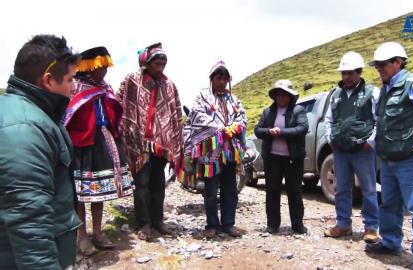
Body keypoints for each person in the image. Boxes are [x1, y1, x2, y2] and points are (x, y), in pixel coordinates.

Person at [0, 34, 81, 269]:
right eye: (70, 79)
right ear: (48, 80)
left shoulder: (32, 114)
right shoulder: (24, 128)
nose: (74, 87)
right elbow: (29, 222)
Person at [365, 42, 413, 270]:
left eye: (383, 64)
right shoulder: (385, 90)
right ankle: (391, 242)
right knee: (389, 204)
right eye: (377, 66)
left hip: (411, 160)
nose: (379, 69)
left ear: (398, 62)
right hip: (388, 160)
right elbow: (381, 122)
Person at [65, 46, 134, 255]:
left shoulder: (104, 88)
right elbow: (66, 117)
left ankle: (97, 232)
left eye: (105, 67)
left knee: (99, 191)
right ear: (87, 67)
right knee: (81, 193)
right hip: (81, 144)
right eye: (100, 67)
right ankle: (82, 236)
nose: (103, 72)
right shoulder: (74, 87)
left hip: (102, 142)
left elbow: (114, 113)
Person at [118, 42, 183, 241]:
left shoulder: (169, 85)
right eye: (157, 61)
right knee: (142, 183)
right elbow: (120, 102)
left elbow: (175, 113)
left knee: (158, 183)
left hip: (160, 144)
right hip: (138, 142)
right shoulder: (132, 80)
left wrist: (174, 140)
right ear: (147, 62)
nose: (161, 64)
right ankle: (144, 223)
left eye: (164, 61)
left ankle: (158, 220)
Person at [179, 61, 247, 238]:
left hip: (230, 153)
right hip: (211, 154)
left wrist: (235, 127)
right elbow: (198, 118)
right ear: (211, 79)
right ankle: (212, 224)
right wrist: (223, 130)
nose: (222, 82)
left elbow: (242, 118)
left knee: (230, 190)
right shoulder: (202, 98)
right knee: (210, 191)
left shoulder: (234, 100)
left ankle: (228, 224)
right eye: (219, 78)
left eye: (225, 78)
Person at [323, 52, 380, 243]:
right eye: (343, 73)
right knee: (342, 188)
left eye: (350, 73)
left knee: (369, 189)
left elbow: (378, 119)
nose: (346, 77)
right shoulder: (336, 95)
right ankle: (343, 224)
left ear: (359, 72)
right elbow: (328, 119)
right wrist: (330, 137)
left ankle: (371, 228)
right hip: (340, 150)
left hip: (362, 150)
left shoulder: (372, 92)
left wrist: (370, 141)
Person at [254, 79, 308, 234]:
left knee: (295, 191)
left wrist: (282, 132)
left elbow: (302, 128)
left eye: (284, 94)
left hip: (293, 159)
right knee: (272, 191)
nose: (281, 97)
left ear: (290, 96)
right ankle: (272, 225)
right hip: (272, 159)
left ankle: (297, 225)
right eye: (278, 94)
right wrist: (270, 131)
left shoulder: (299, 111)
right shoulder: (268, 112)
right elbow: (258, 130)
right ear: (275, 96)